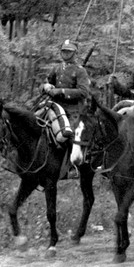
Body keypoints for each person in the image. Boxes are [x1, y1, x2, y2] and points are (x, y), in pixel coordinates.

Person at [40, 39, 92, 178]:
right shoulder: (57, 68)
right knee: (34, 122)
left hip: (73, 109)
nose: (65, 53)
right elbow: (47, 82)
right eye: (63, 50)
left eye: (69, 51)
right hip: (54, 106)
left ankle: (72, 167)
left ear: (75, 53)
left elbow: (83, 92)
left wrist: (62, 91)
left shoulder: (80, 71)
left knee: (70, 134)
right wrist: (46, 87)